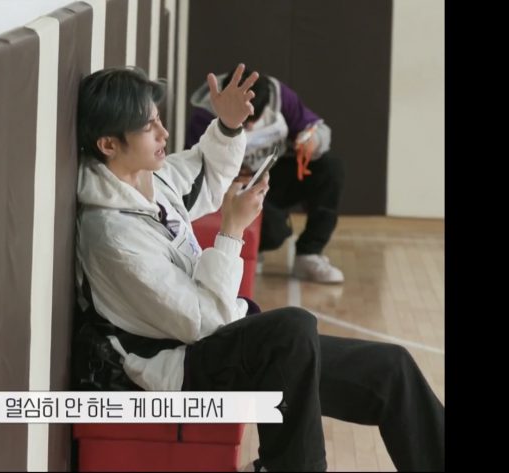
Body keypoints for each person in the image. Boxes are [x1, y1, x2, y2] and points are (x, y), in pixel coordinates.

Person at [73, 64, 444, 471]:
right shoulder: (113, 236)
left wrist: (229, 126)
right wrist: (231, 230)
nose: (163, 133)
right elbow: (205, 323)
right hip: (179, 367)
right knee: (291, 330)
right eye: (149, 127)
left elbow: (204, 170)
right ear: (109, 144)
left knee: (391, 370)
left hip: (215, 341)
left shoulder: (149, 180)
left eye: (159, 119)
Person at [186, 69, 345, 283]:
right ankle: (248, 246)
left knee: (330, 167)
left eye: (255, 119)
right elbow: (197, 175)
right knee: (276, 230)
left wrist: (312, 141)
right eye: (245, 121)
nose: (250, 126)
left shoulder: (281, 97)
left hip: (271, 176)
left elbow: (319, 129)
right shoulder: (204, 117)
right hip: (231, 190)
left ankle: (309, 254)